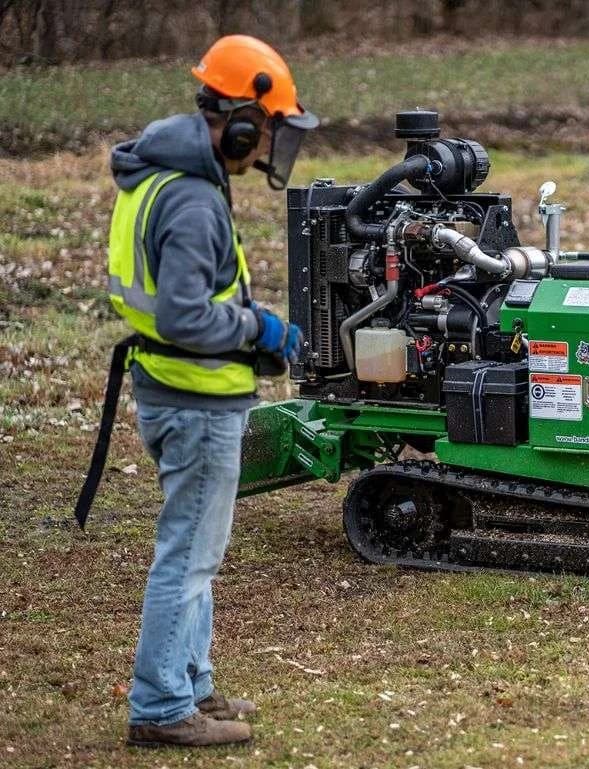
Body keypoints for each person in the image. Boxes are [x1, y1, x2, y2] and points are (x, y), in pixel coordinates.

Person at [104, 35, 317, 748]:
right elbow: (185, 316)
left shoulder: (157, 178)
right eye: (268, 131)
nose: (268, 149)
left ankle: (190, 681)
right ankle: (162, 705)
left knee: (198, 551)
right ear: (244, 122)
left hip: (172, 390)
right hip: (194, 400)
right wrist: (260, 327)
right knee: (188, 554)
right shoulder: (193, 200)